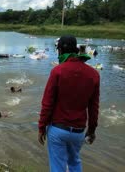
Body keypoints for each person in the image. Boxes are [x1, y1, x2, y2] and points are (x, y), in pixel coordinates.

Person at [38, 35, 100, 172]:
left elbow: (47, 103)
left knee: (57, 166)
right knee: (75, 162)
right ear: (76, 49)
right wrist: (92, 130)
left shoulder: (57, 71)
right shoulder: (94, 74)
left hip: (58, 130)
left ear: (60, 50)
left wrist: (41, 127)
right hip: (78, 131)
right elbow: (94, 108)